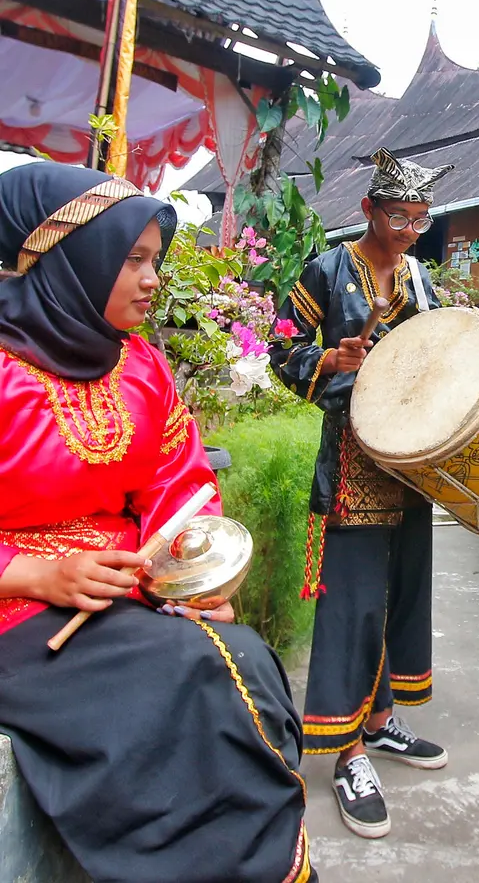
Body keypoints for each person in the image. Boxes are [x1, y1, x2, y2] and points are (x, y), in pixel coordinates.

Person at [0, 163, 313, 883]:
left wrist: (188, 578)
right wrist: (42, 573)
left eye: (156, 260)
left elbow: (180, 485)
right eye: (132, 258)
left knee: (244, 664)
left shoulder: (138, 365)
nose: (151, 279)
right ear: (71, 259)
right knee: (193, 673)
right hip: (19, 615)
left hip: (127, 594)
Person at [269, 148, 452, 839]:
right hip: (351, 460)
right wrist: (329, 359)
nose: (409, 230)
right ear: (368, 210)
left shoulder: (419, 277)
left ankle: (378, 724)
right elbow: (277, 342)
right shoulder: (327, 268)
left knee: (400, 591)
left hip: (411, 461)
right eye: (399, 216)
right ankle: (345, 752)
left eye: (420, 219)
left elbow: (434, 354)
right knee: (351, 601)